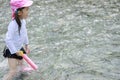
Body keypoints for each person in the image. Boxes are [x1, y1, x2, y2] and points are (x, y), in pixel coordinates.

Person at [3, 0, 33, 80]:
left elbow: (24, 33)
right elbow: (8, 40)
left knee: (21, 66)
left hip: (19, 48)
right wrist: (15, 51)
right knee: (13, 71)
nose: (28, 12)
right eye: (26, 10)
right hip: (11, 50)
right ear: (19, 12)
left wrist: (27, 44)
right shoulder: (13, 25)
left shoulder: (23, 21)